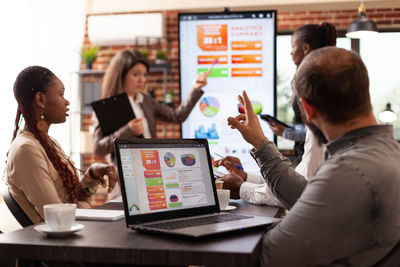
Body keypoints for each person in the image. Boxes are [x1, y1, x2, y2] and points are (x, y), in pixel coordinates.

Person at [228, 47, 400, 266]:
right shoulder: (389, 152)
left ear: (307, 109)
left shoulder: (347, 170)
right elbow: (309, 195)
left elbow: (273, 254)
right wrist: (260, 143)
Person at [214, 22, 337, 204]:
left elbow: (299, 193)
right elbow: (296, 180)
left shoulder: (321, 129)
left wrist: (241, 188)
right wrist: (246, 176)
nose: (290, 102)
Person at [5, 66, 118, 224]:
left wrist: (92, 174)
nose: (67, 101)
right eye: (61, 94)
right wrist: (86, 208)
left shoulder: (49, 143)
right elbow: (58, 218)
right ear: (41, 99)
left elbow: (71, 199)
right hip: (56, 246)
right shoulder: (26, 149)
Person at [92, 49, 210, 199]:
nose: (142, 79)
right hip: (124, 185)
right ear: (121, 76)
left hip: (151, 177)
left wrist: (196, 88)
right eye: (136, 74)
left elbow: (177, 116)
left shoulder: (146, 100)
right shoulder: (107, 108)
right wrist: (127, 130)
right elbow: (98, 148)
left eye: (144, 74)